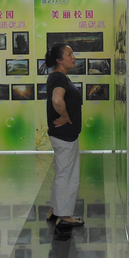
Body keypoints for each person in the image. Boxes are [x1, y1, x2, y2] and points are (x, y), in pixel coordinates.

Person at [45, 43, 84, 228]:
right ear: (59, 60)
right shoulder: (59, 78)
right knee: (67, 175)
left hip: (65, 135)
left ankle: (55, 209)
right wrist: (65, 116)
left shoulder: (58, 77)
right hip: (64, 135)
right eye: (69, 54)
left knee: (62, 172)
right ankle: (64, 214)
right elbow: (57, 100)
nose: (73, 57)